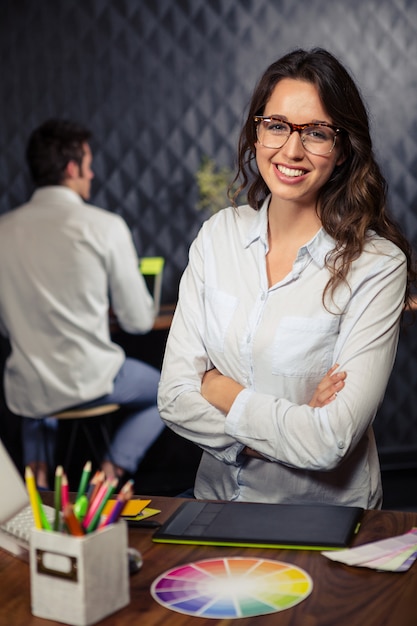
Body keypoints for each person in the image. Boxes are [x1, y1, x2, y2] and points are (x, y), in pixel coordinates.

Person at [158, 47, 416, 508]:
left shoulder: (377, 265)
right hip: (215, 507)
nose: (291, 150)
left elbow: (329, 441)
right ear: (257, 133)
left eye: (317, 133)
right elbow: (175, 398)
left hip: (325, 522)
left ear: (341, 151)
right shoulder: (218, 237)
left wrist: (221, 390)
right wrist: (291, 424)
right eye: (276, 125)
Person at [0, 119, 164, 487]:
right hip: (90, 381)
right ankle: (109, 472)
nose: (91, 173)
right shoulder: (104, 226)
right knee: (166, 392)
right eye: (88, 164)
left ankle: (37, 480)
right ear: (72, 168)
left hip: (29, 389)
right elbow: (138, 321)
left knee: (38, 393)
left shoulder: (3, 230)